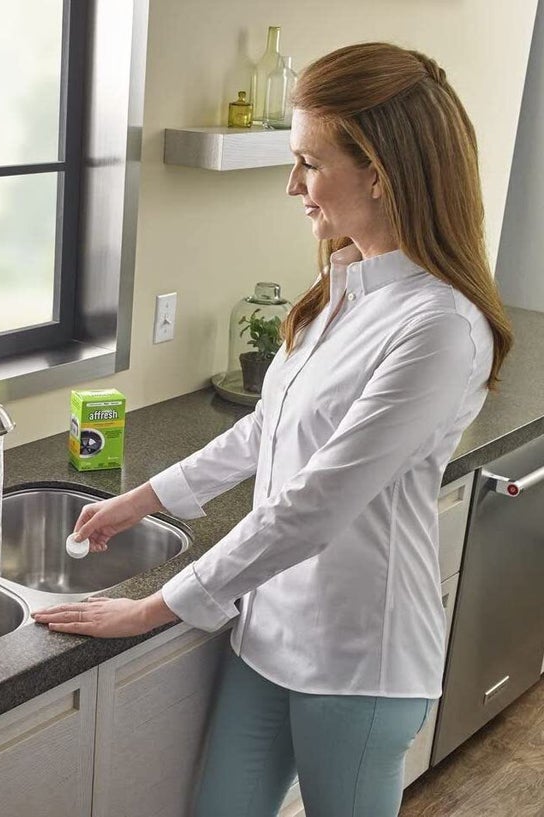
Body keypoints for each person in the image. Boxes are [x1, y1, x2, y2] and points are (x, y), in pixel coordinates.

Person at [32, 42, 513, 817]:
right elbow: (267, 430)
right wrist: (143, 498)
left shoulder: (439, 329)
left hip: (361, 663)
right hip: (266, 634)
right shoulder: (344, 285)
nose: (294, 185)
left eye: (309, 163)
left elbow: (316, 503)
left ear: (380, 172)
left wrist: (154, 607)